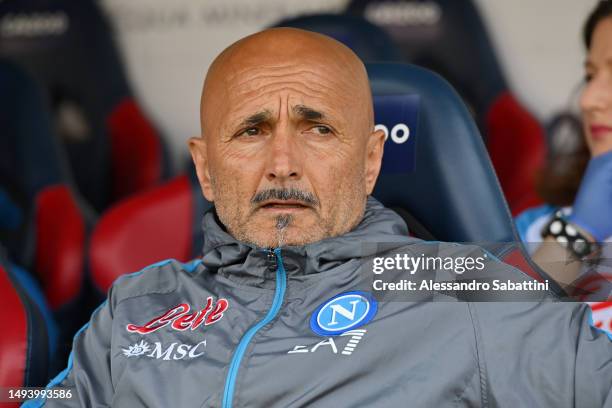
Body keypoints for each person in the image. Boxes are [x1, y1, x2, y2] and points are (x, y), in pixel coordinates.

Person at [28, 28, 611, 408]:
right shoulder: (133, 310)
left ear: (371, 160)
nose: (283, 164)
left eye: (319, 129)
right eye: (252, 131)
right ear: (204, 168)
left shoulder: (470, 293)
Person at [516, 1, 612, 300]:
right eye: (589, 76)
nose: (588, 100)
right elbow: (493, 335)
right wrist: (571, 240)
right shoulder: (536, 230)